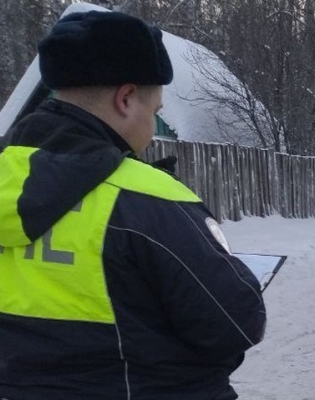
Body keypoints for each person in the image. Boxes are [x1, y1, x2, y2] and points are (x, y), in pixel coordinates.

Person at [0, 11, 265, 400]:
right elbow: (235, 324)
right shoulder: (149, 198)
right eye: (154, 111)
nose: (152, 127)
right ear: (125, 99)